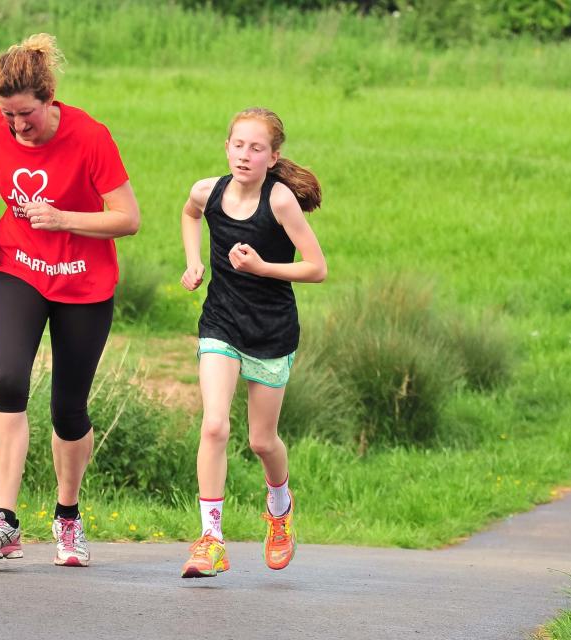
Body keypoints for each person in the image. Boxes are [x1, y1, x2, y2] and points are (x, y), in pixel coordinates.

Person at [0, 33, 140, 567]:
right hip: (17, 266)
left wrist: (65, 219)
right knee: (9, 378)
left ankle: (67, 517)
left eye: (27, 115)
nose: (18, 126)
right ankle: (4, 520)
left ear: (48, 98)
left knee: (68, 408)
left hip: (84, 282)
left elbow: (127, 219)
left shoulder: (90, 138)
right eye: (9, 115)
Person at [179, 107, 327, 578]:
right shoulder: (208, 190)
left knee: (262, 441)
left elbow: (316, 268)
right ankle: (211, 540)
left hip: (271, 329)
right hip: (220, 322)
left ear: (272, 156)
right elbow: (189, 214)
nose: (245, 155)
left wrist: (262, 267)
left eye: (256, 148)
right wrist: (194, 261)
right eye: (238, 145)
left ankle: (280, 508)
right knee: (214, 426)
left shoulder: (280, 201)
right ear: (226, 147)